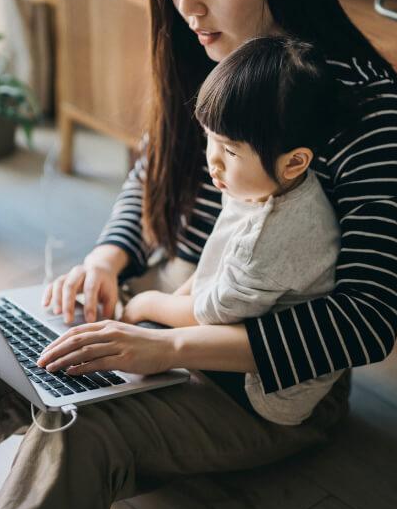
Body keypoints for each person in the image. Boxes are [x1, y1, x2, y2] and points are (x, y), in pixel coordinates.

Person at [0, 0, 397, 509]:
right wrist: (108, 258)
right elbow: (151, 174)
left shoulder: (361, 104)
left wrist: (169, 345)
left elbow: (368, 319)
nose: (187, 5)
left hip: (260, 386)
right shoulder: (209, 51)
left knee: (77, 427)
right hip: (163, 305)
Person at [121, 35, 347, 426]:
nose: (212, 162)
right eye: (209, 137)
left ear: (294, 162)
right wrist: (166, 304)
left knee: (130, 386)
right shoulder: (265, 184)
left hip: (269, 390)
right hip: (239, 316)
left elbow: (208, 317)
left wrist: (144, 306)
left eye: (229, 150)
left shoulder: (270, 239)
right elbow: (216, 257)